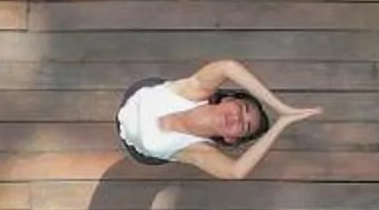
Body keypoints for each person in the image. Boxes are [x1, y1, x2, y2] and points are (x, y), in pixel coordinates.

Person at [117, 59, 321, 181]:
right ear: (229, 99)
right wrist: (280, 106)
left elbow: (236, 172)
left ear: (230, 138)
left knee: (147, 155)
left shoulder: (198, 151)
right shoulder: (194, 91)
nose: (237, 118)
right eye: (242, 109)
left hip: (135, 147)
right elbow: (227, 66)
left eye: (244, 126)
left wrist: (281, 124)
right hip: (136, 94)